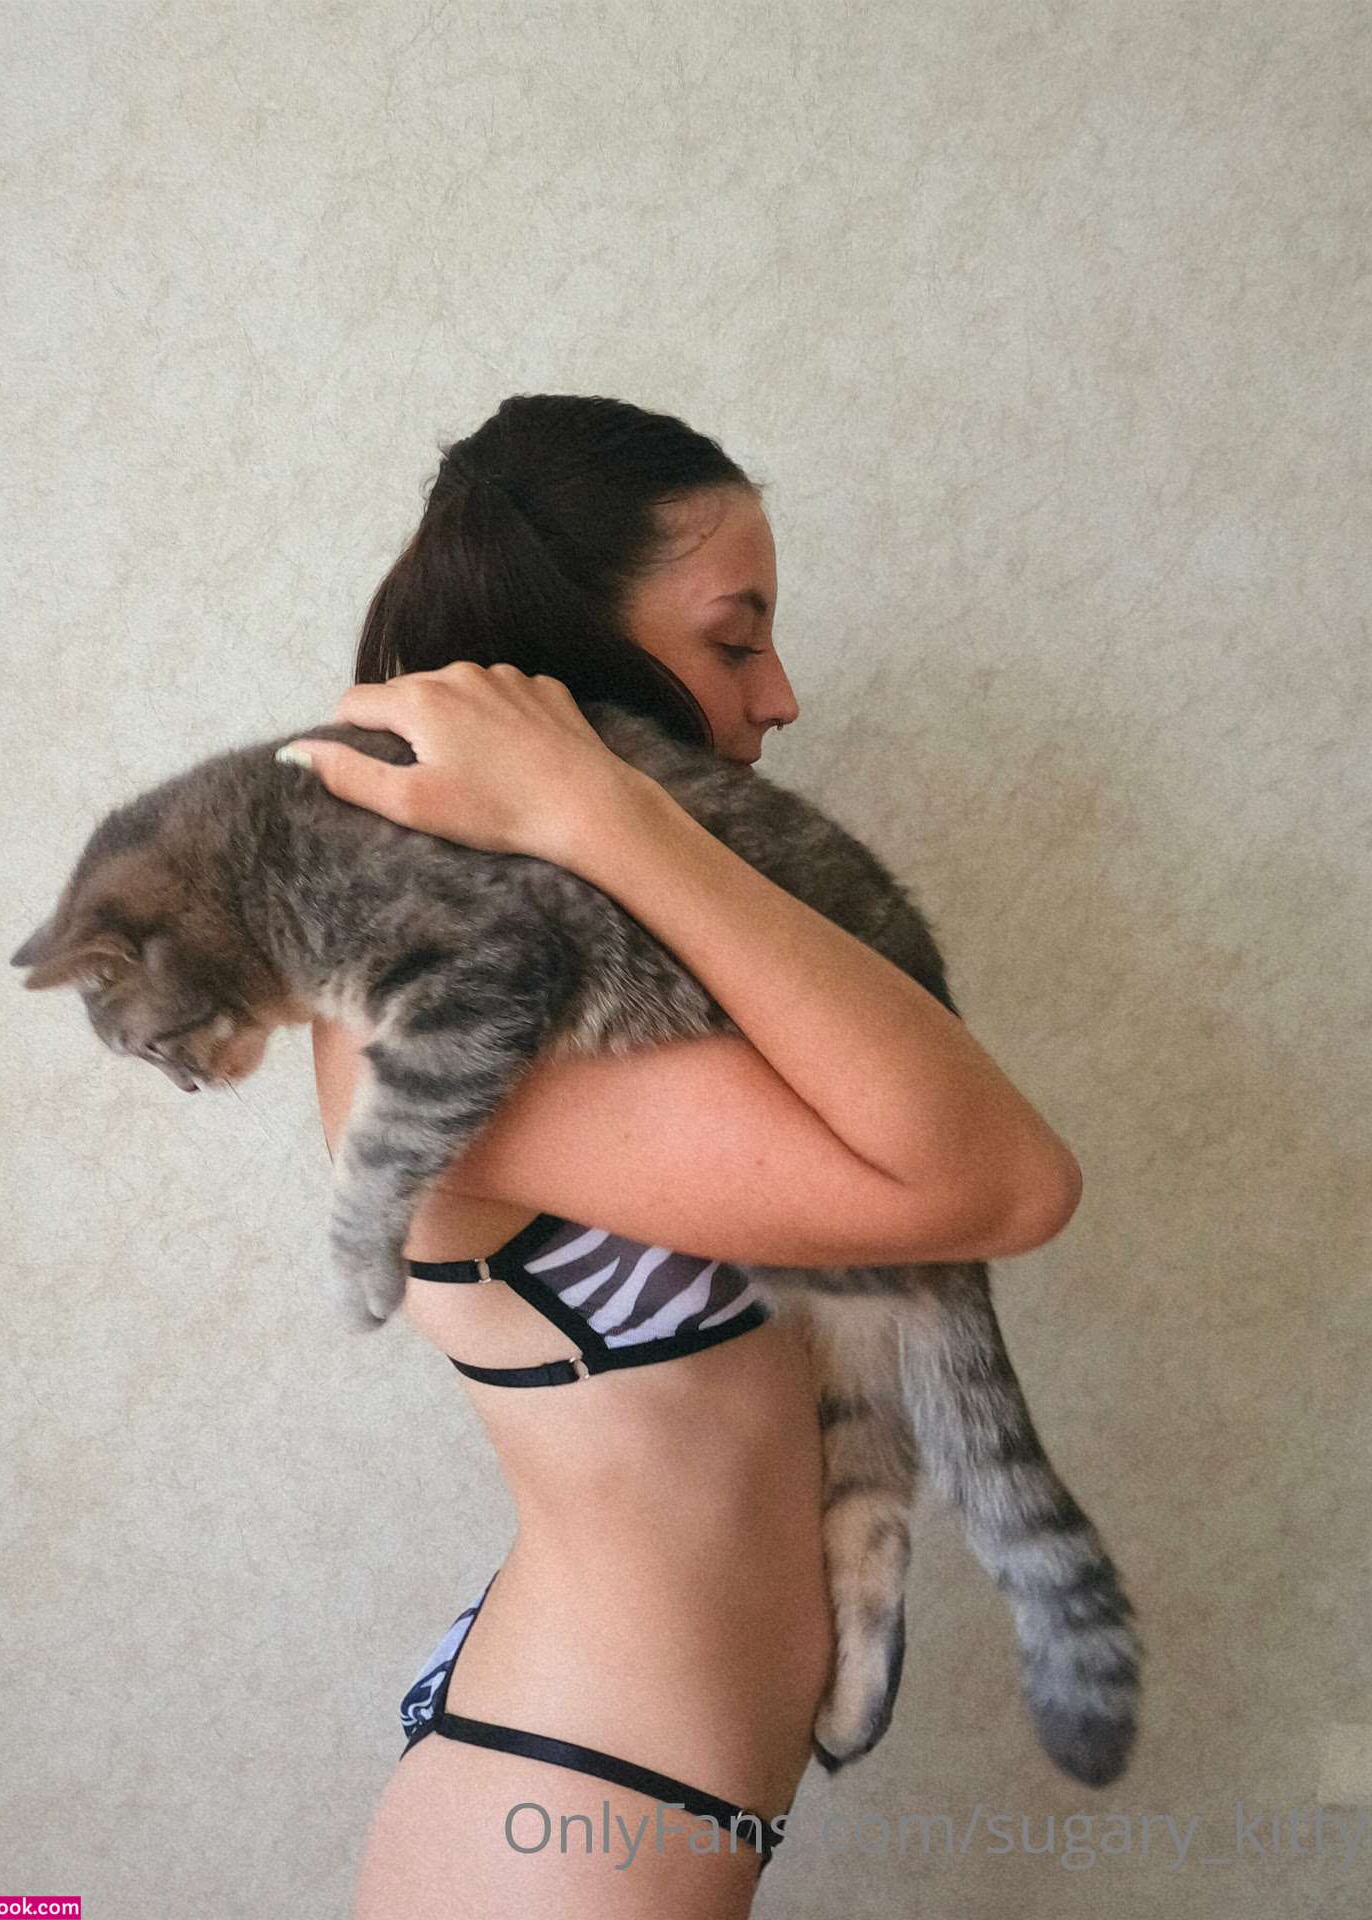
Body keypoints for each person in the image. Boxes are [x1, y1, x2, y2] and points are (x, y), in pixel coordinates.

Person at [298, 395, 1082, 1918]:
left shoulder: (618, 963)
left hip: (625, 1800)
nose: (780, 696)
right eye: (736, 640)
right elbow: (1005, 1182)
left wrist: (610, 818)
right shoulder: (459, 1000)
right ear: (569, 656)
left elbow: (932, 1122)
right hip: (565, 1823)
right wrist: (600, 801)